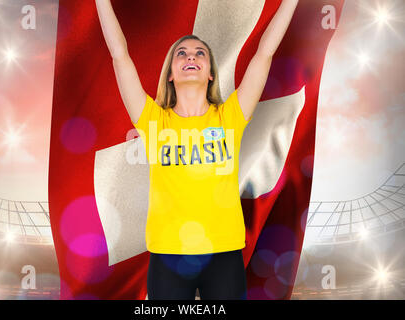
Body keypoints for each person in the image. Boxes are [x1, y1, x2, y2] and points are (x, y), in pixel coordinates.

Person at [96, 0, 299, 300]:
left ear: (211, 74)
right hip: (167, 256)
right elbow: (119, 55)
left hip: (224, 254)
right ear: (170, 74)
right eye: (182, 53)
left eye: (199, 53)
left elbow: (264, 53)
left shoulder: (230, 118)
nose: (191, 57)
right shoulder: (153, 121)